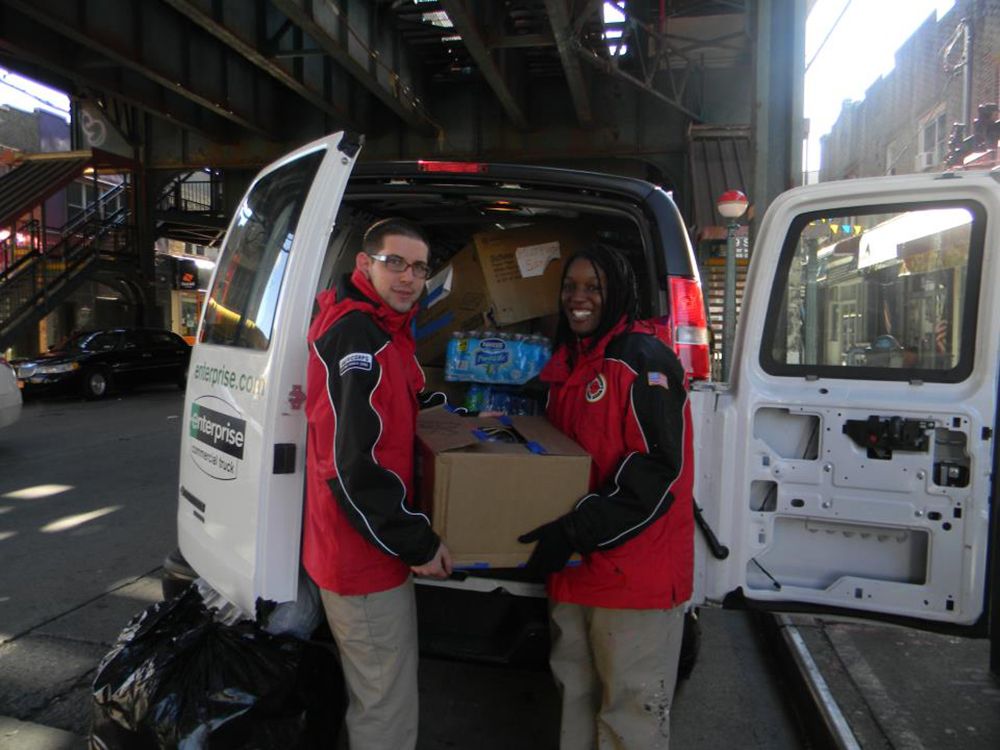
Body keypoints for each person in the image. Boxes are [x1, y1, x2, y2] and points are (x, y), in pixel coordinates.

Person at [518, 243, 694, 750]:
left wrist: (575, 530)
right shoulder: (568, 365)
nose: (579, 298)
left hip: (632, 577)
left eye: (593, 287)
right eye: (571, 287)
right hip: (575, 573)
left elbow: (657, 468)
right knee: (575, 699)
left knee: (630, 718)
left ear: (617, 292)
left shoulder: (641, 359)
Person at [303, 217, 452, 750]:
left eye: (418, 267)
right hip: (361, 556)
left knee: (378, 692)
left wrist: (439, 413)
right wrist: (417, 540)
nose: (408, 277)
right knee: (384, 705)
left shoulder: (384, 327)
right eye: (395, 263)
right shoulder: (356, 335)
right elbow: (352, 466)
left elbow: (384, 414)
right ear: (364, 264)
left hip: (366, 547)